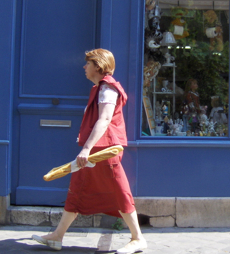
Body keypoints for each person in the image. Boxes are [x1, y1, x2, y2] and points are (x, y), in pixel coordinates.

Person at [32, 49, 147, 254]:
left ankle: (138, 238)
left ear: (98, 66)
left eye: (88, 64)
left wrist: (86, 148)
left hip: (104, 150)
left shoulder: (107, 89)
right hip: (96, 150)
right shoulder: (99, 88)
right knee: (77, 189)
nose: (84, 67)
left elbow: (104, 120)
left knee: (119, 190)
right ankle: (57, 236)